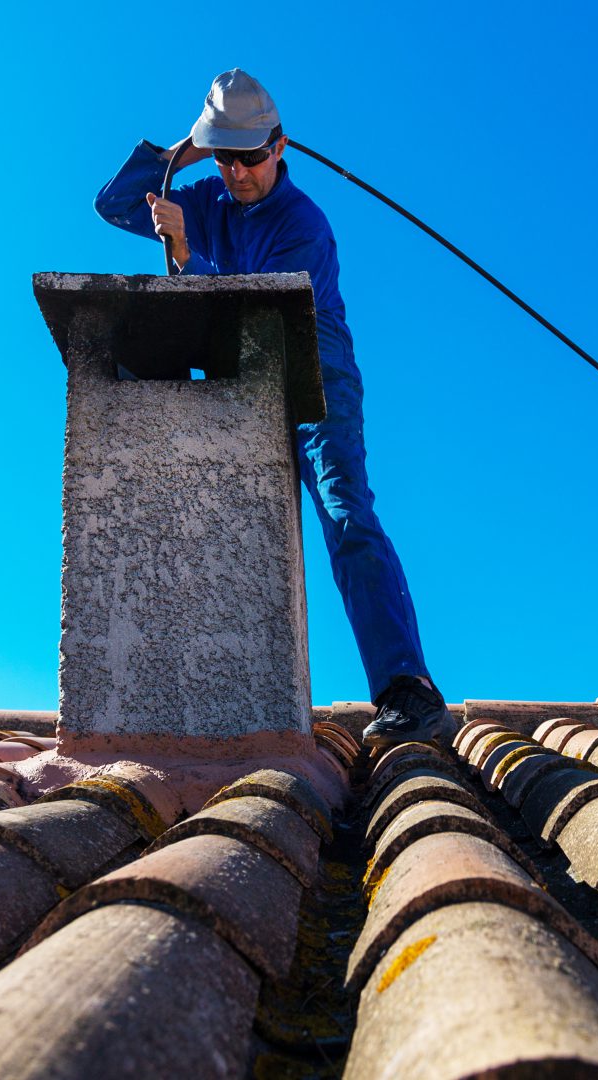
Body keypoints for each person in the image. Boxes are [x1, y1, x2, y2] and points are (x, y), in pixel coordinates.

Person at [93, 68, 455, 748]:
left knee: (344, 511)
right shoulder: (206, 195)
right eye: (226, 158)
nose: (239, 173)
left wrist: (184, 252)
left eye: (251, 156)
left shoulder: (303, 224)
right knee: (223, 522)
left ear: (280, 147)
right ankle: (219, 693)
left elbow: (258, 304)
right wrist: (185, 152)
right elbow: (114, 203)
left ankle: (408, 687)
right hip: (244, 377)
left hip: (314, 374)